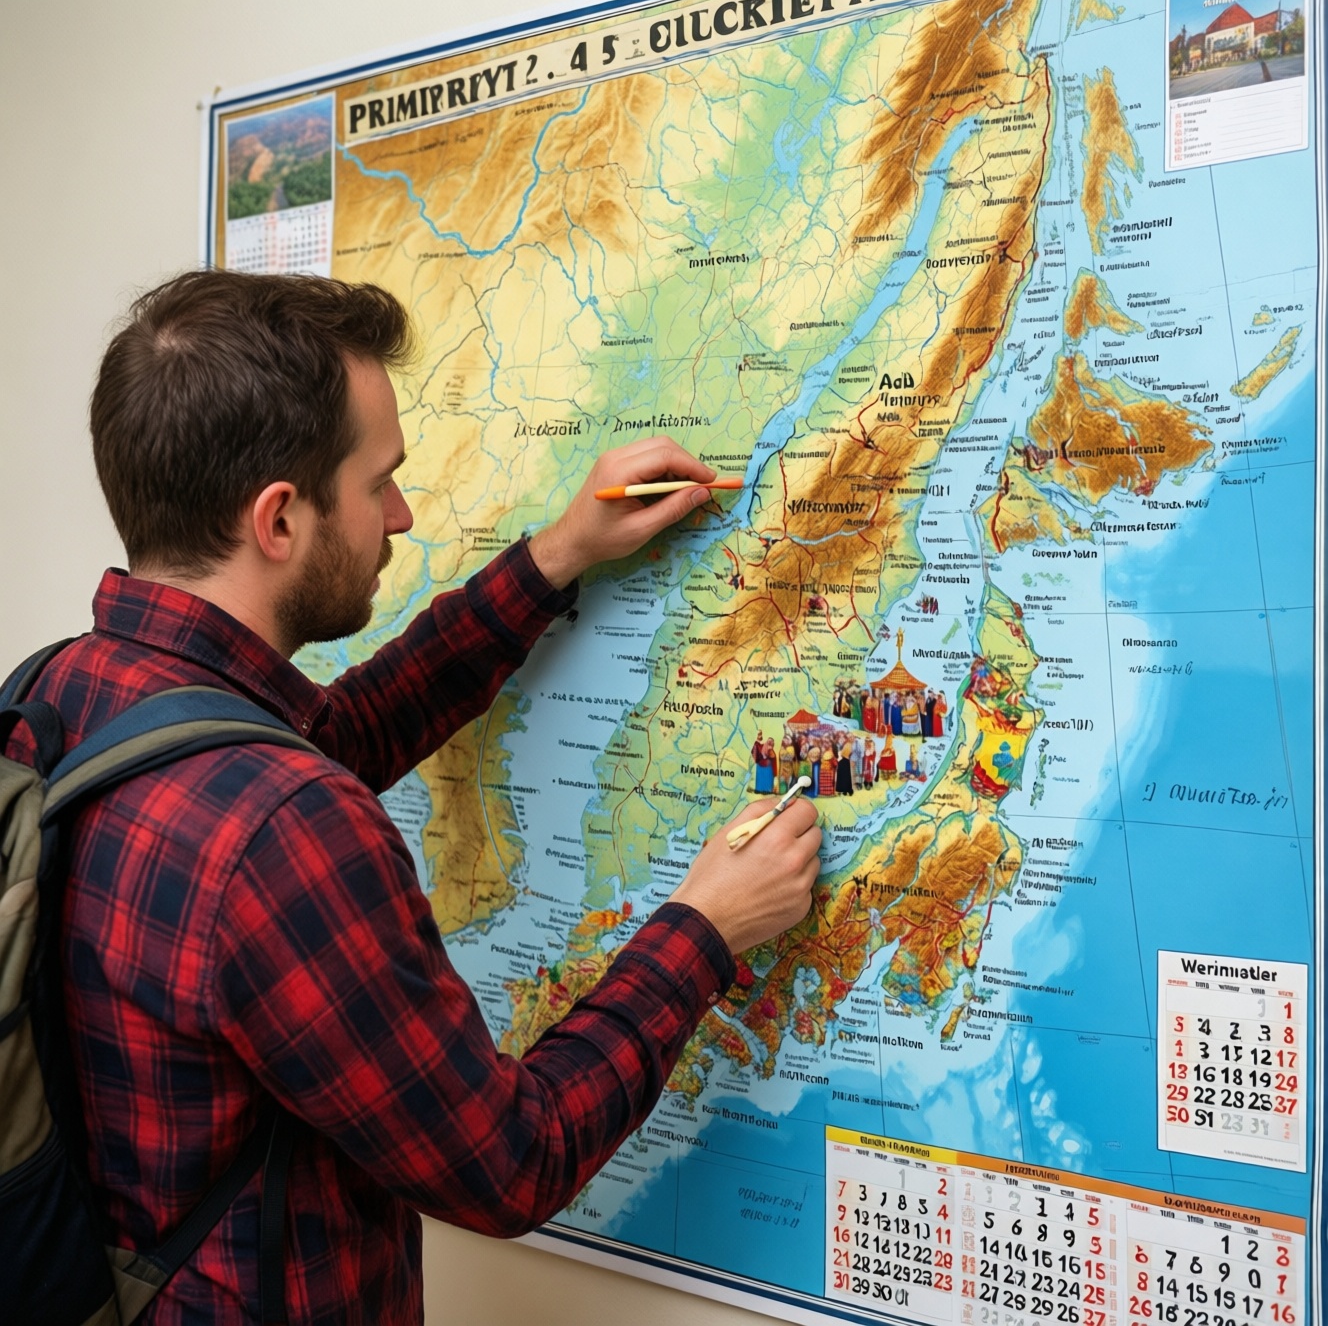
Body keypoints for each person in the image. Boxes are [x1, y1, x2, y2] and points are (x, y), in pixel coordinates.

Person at [4, 270, 822, 1325]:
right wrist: (705, 929)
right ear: (279, 519)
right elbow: (509, 1161)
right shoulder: (279, 826)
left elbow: (335, 735)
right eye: (377, 481)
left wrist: (557, 554)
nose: (398, 514)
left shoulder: (56, 696)